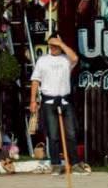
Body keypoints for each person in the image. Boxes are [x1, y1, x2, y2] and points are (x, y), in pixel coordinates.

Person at [30, 36, 90, 175]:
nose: (53, 48)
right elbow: (35, 81)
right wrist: (33, 100)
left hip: (64, 100)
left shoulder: (66, 59)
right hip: (49, 101)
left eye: (56, 45)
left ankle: (74, 163)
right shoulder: (42, 60)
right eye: (51, 45)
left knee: (71, 133)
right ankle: (56, 164)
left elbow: (75, 58)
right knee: (53, 135)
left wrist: (62, 43)